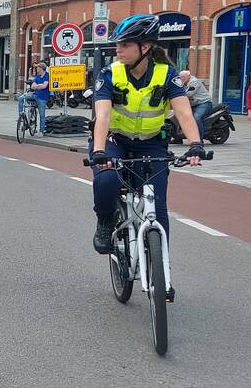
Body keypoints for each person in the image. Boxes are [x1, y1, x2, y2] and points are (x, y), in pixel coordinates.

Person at [90, 14, 204, 261]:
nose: (118, 49)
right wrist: (99, 151)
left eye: (125, 44)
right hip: (114, 140)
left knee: (158, 206)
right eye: (118, 44)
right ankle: (105, 221)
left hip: (151, 143)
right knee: (106, 180)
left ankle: (160, 267)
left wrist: (196, 144)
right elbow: (103, 115)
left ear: (145, 47)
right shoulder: (109, 74)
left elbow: (184, 112)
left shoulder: (167, 74)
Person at [178, 70, 213, 140]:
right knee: (180, 116)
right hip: (193, 104)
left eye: (183, 77)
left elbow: (189, 94)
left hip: (204, 103)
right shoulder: (184, 82)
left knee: (196, 117)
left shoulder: (194, 82)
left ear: (189, 76)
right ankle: (178, 138)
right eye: (180, 77)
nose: (182, 78)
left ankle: (199, 139)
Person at [17, 63, 50, 133]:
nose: (36, 68)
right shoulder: (38, 76)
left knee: (42, 115)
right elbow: (32, 86)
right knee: (21, 98)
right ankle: (21, 114)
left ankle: (42, 130)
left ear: (41, 68)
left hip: (42, 97)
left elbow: (44, 86)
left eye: (37, 67)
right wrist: (39, 85)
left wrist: (37, 86)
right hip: (35, 94)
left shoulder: (47, 75)